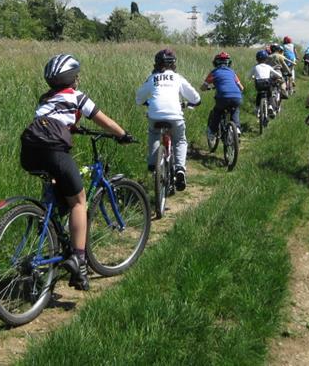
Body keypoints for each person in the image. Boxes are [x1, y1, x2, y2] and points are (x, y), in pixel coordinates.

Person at [20, 53, 133, 291]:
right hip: (54, 151)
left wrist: (74, 127)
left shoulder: (45, 99)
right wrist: (122, 134)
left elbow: (55, 119)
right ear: (73, 78)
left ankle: (49, 237)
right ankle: (79, 261)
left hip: (29, 152)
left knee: (58, 195)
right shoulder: (77, 97)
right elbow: (105, 121)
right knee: (79, 202)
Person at [136, 49, 201, 192]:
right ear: (173, 63)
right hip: (175, 116)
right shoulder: (178, 78)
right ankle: (180, 169)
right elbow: (196, 99)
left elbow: (139, 99)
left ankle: (153, 164)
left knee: (154, 134)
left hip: (155, 115)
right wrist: (193, 103)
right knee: (180, 140)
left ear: (156, 63)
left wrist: (148, 103)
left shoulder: (151, 78)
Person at [201, 51, 244, 141]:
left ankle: (212, 132)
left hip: (223, 97)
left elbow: (203, 87)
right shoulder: (232, 72)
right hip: (237, 96)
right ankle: (236, 128)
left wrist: (206, 88)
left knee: (217, 111)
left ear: (215, 63)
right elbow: (241, 88)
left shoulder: (214, 72)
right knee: (235, 110)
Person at [249, 50, 283, 118]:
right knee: (269, 94)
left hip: (259, 84)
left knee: (259, 94)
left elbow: (249, 76)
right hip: (267, 83)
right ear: (266, 59)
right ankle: (270, 106)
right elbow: (277, 74)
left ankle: (257, 108)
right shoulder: (268, 67)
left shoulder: (255, 67)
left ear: (257, 59)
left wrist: (252, 77)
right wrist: (280, 77)